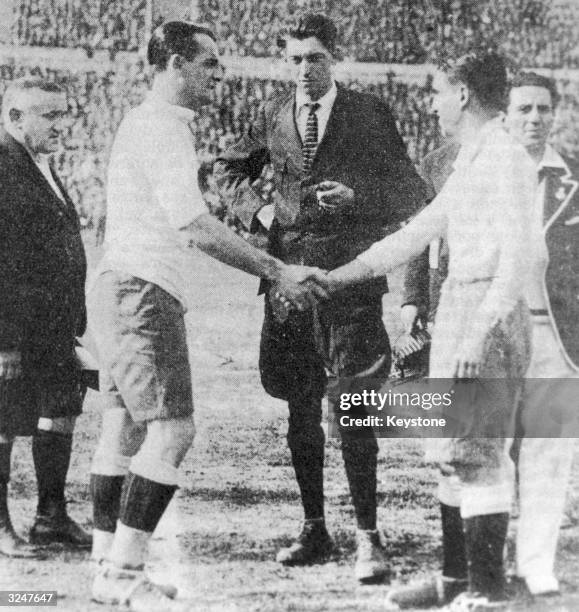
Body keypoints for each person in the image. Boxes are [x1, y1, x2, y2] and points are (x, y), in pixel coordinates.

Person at [88, 21, 328, 611]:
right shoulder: (160, 127)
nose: (218, 74)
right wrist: (276, 270)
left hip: (120, 286)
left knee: (122, 426)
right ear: (173, 63)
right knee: (174, 430)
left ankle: (105, 564)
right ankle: (122, 573)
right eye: (209, 63)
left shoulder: (152, 124)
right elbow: (193, 225)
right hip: (143, 292)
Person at [215, 13, 428, 582]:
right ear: (284, 61)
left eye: (314, 57)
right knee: (300, 405)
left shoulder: (368, 114)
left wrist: (359, 196)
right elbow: (226, 169)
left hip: (350, 284)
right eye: (294, 59)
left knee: (355, 407)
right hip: (288, 283)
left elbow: (414, 191)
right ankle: (313, 526)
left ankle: (368, 536)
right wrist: (256, 212)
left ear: (335, 57)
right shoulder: (274, 114)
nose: (304, 69)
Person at [323, 52, 536, 610]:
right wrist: (334, 278)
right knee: (449, 450)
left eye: (437, 91)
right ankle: (454, 581)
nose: (432, 103)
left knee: (478, 452)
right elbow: (418, 231)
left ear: (463, 93)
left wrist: (478, 333)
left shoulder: (507, 157)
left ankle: (487, 592)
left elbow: (521, 256)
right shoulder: (475, 155)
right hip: (462, 306)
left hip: (485, 310)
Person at [395, 72, 579, 605]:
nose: (534, 120)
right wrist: (413, 302)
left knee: (546, 450)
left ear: (556, 114)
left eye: (544, 110)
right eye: (523, 109)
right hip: (484, 322)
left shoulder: (574, 179)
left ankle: (535, 569)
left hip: (555, 337)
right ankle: (463, 578)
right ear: (504, 112)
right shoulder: (460, 163)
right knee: (466, 445)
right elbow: (423, 238)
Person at [0, 78, 92, 558]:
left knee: (59, 413)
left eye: (63, 114)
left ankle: (50, 516)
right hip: (17, 329)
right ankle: (1, 526)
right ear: (15, 118)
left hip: (55, 326)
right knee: (4, 424)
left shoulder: (41, 164)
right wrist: (5, 342)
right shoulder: (2, 166)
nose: (61, 124)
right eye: (49, 116)